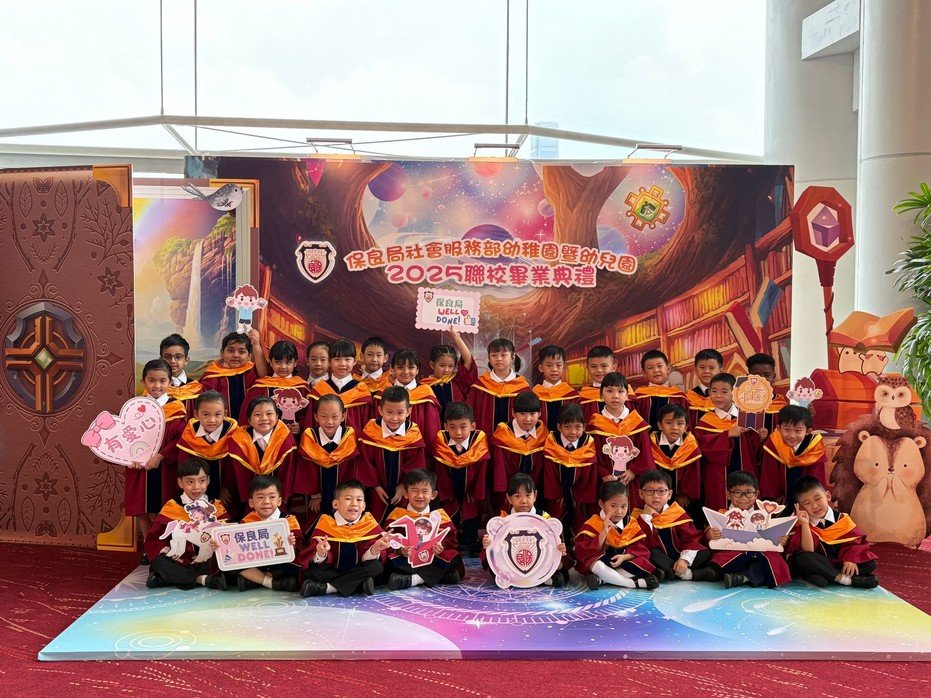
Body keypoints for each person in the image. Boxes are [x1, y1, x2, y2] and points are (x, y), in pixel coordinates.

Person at [126, 359, 188, 549]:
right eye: (151, 380)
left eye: (162, 381)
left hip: (164, 468)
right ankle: (149, 547)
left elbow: (180, 440)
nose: (157, 386)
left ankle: (163, 548)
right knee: (142, 510)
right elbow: (125, 436)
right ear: (143, 381)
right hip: (139, 468)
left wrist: (160, 456)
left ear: (170, 382)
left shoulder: (176, 409)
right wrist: (130, 458)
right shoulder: (135, 408)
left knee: (159, 510)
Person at [144, 458, 229, 590]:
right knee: (159, 562)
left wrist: (218, 544)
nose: (196, 487)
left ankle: (167, 578)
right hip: (180, 561)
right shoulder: (173, 506)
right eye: (190, 481)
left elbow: (228, 536)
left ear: (208, 480)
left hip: (208, 560)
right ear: (180, 483)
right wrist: (166, 550)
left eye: (201, 481)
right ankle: (202, 579)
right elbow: (155, 538)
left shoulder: (215, 506)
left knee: (228, 562)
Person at [298, 479, 392, 597]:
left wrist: (375, 549)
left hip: (359, 569)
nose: (354, 504)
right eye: (348, 499)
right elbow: (313, 558)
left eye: (359, 500)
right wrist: (321, 553)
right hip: (334, 571)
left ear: (364, 506)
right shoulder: (326, 524)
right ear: (335, 504)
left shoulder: (369, 524)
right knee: (312, 570)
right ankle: (359, 584)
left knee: (376, 567)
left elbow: (370, 559)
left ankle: (328, 588)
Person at [481, 473, 571, 587]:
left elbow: (554, 544)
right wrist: (488, 543)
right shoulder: (503, 520)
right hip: (512, 563)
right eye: (517, 496)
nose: (523, 500)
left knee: (559, 563)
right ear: (509, 498)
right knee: (494, 566)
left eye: (528, 495)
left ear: (535, 496)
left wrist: (559, 548)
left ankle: (541, 578)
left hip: (540, 562)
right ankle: (546, 580)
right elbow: (495, 548)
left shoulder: (544, 518)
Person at [788, 476, 879, 588]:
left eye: (817, 499)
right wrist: (805, 524)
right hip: (821, 563)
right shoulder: (802, 524)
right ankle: (846, 580)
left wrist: (850, 559)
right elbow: (809, 551)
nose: (814, 506)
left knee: (870, 563)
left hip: (840, 563)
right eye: (807, 503)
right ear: (801, 507)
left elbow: (856, 543)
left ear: (827, 496)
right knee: (804, 558)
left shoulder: (842, 519)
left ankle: (827, 575)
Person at [707, 471, 792, 589]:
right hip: (734, 556)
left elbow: (774, 541)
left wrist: (781, 541)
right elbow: (709, 536)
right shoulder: (722, 514)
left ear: (756, 494)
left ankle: (742, 578)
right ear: (728, 494)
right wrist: (710, 534)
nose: (743, 498)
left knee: (771, 560)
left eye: (748, 493)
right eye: (737, 492)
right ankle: (741, 577)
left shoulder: (764, 517)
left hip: (759, 556)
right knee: (721, 562)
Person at [695, 373, 765, 513]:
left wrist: (762, 438)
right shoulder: (705, 421)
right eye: (714, 391)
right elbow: (703, 448)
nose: (718, 396)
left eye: (724, 391)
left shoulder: (747, 416)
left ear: (735, 393)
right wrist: (727, 435)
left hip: (746, 469)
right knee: (720, 506)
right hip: (717, 474)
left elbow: (756, 450)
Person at [356, 386, 427, 522]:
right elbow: (365, 463)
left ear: (408, 411)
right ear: (380, 410)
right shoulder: (371, 432)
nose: (394, 418)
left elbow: (415, 466)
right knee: (375, 520)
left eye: (400, 413)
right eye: (389, 412)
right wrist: (376, 486)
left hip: (404, 491)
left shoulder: (413, 434)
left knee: (401, 523)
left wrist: (403, 486)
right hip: (376, 491)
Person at [634, 469, 719, 582]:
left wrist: (684, 560)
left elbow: (691, 539)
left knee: (704, 553)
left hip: (680, 555)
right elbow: (644, 543)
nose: (656, 496)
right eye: (649, 491)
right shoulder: (637, 517)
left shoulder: (676, 513)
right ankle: (687, 574)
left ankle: (671, 573)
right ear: (641, 494)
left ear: (669, 494)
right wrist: (646, 518)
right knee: (650, 552)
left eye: (661, 491)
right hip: (661, 559)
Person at [384, 469, 464, 589]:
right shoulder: (397, 516)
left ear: (433, 495)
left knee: (454, 556)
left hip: (432, 558)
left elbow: (452, 541)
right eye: (414, 490)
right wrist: (400, 550)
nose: (420, 496)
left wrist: (441, 547)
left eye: (425, 491)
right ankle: (442, 576)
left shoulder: (440, 517)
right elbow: (388, 541)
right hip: (407, 559)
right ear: (405, 493)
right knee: (389, 562)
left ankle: (413, 580)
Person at [586, 372, 654, 508]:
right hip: (605, 482)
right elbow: (591, 454)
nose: (615, 396)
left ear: (627, 395)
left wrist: (633, 471)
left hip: (631, 481)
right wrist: (603, 473)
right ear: (601, 395)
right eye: (609, 391)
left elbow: (645, 453)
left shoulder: (636, 422)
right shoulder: (595, 425)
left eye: (620, 391)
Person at [575, 481, 659, 590]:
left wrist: (625, 557)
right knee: (595, 564)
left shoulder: (631, 523)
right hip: (603, 563)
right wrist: (603, 533)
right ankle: (632, 583)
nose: (619, 512)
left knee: (643, 562)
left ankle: (604, 580)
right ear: (601, 504)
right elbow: (585, 553)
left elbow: (641, 549)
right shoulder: (593, 524)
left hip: (623, 563)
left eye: (624, 506)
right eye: (613, 506)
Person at [431, 401, 489, 556]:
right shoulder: (441, 442)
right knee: (450, 518)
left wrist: (475, 493)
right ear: (445, 427)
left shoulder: (478, 442)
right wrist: (447, 494)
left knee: (471, 517)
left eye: (463, 427)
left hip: (471, 492)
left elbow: (481, 472)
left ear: (472, 426)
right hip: (448, 492)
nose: (458, 432)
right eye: (452, 427)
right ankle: (451, 543)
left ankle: (471, 541)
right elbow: (440, 471)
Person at [235, 474, 301, 592]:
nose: (266, 502)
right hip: (257, 562)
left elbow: (299, 549)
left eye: (272, 497)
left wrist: (292, 543)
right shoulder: (246, 521)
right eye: (260, 497)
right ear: (251, 502)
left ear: (279, 501)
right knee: (234, 563)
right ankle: (271, 582)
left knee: (296, 566)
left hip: (280, 563)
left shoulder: (288, 520)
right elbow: (238, 548)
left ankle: (255, 580)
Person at [297, 394, 359, 519]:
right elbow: (306, 469)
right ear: (316, 417)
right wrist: (314, 495)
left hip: (344, 497)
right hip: (317, 497)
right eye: (324, 416)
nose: (329, 422)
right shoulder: (310, 437)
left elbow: (352, 470)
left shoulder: (349, 437)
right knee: (318, 521)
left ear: (343, 416)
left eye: (335, 416)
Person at [171, 390, 239, 504]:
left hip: (225, 492)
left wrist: (227, 487)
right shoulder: (189, 434)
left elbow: (233, 467)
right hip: (195, 491)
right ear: (196, 415)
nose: (212, 420)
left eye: (217, 414)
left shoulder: (233, 434)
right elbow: (184, 466)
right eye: (206, 414)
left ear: (225, 414)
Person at [227, 396, 297, 506]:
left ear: (277, 417)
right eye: (257, 414)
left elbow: (288, 474)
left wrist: (283, 498)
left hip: (277, 502)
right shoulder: (239, 440)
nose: (264, 418)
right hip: (248, 502)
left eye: (269, 414)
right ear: (249, 420)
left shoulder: (286, 440)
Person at [543, 404, 598, 540]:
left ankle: (576, 546)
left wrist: (579, 496)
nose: (573, 432)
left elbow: (589, 475)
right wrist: (557, 495)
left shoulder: (587, 443)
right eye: (567, 427)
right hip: (557, 495)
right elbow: (550, 473)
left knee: (579, 520)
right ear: (559, 427)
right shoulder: (552, 441)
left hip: (579, 495)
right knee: (556, 520)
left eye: (578, 427)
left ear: (584, 427)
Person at [490, 391, 549, 509]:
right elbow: (499, 474)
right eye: (522, 413)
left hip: (536, 496)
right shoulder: (502, 436)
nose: (527, 419)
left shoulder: (544, 436)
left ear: (540, 413)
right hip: (508, 497)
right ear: (513, 413)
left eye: (532, 414)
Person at [759, 405, 827, 507]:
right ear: (779, 428)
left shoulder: (814, 448)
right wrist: (774, 499)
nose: (792, 435)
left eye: (798, 430)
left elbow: (816, 478)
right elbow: (769, 476)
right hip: (781, 503)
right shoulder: (774, 444)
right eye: (787, 429)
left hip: (808, 503)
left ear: (808, 431)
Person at [304, 338, 373, 436]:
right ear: (329, 361)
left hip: (353, 444)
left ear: (355, 361)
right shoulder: (319, 390)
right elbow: (310, 425)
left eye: (347, 359)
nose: (342, 364)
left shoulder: (361, 391)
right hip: (320, 445)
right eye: (337, 359)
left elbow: (366, 426)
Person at [377, 348, 441, 453]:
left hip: (417, 452)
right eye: (400, 367)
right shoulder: (382, 394)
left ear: (417, 369)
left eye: (411, 367)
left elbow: (431, 432)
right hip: (384, 450)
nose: (406, 372)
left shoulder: (426, 395)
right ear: (392, 369)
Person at [239, 340, 311, 432]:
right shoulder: (259, 386)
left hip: (293, 437)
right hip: (264, 436)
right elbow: (247, 415)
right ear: (270, 361)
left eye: (288, 362)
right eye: (278, 362)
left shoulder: (302, 387)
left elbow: (307, 416)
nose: (283, 367)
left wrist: (299, 426)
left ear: (295, 363)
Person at [467, 337, 531, 439]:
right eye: (494, 355)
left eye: (503, 355)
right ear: (489, 358)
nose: (499, 359)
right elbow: (469, 415)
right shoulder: (480, 386)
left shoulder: (523, 387)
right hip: (484, 442)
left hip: (515, 442)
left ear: (513, 357)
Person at [199, 331, 264, 421]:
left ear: (249, 356)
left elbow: (263, 374)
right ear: (222, 353)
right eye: (230, 350)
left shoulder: (251, 371)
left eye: (241, 352)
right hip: (220, 425)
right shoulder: (213, 375)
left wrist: (256, 344)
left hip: (250, 425)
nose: (235, 355)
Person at [649, 403, 702, 508]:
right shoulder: (652, 443)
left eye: (680, 423)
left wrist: (684, 494)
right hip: (654, 495)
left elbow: (692, 476)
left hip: (681, 499)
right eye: (669, 423)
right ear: (660, 425)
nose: (675, 428)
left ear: (686, 427)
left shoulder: (690, 446)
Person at [420, 329, 476, 417]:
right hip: (435, 424)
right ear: (432, 365)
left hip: (456, 424)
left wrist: (457, 338)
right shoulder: (424, 386)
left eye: (450, 366)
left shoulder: (457, 382)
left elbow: (468, 361)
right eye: (442, 365)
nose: (446, 370)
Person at [634, 349, 688, 431]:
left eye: (659, 366)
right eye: (650, 368)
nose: (656, 370)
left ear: (668, 368)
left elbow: (685, 425)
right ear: (644, 373)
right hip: (646, 438)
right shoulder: (639, 397)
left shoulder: (679, 396)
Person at [533, 345, 579, 433]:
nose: (554, 369)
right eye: (549, 365)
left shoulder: (572, 396)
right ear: (541, 368)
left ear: (564, 367)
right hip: (538, 440)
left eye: (558, 365)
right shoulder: (534, 395)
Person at [160, 333, 202, 414]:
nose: (172, 361)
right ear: (161, 359)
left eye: (178, 357)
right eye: (167, 357)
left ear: (186, 360)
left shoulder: (196, 388)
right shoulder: (155, 388)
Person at [747, 352, 788, 433]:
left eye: (767, 375)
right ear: (748, 377)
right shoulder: (741, 404)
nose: (762, 379)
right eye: (756, 375)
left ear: (773, 377)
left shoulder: (780, 404)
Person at [578, 345, 618, 421]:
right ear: (588, 369)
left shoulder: (624, 393)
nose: (599, 370)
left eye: (604, 366)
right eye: (594, 366)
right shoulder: (583, 396)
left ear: (614, 368)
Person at [687, 349, 722, 428]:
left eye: (711, 368)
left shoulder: (729, 397)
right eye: (702, 367)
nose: (706, 371)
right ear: (695, 371)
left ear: (721, 371)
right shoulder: (688, 397)